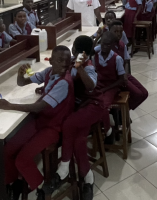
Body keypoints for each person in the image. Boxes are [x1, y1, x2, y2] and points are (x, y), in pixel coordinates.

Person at [54, 33, 124, 200]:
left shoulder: (88, 66)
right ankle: (88, 179)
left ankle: (64, 166)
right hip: (81, 107)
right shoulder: (71, 61)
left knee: (69, 124)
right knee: (79, 140)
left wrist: (79, 67)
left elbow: (91, 86)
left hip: (93, 107)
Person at [0, 46, 74, 200]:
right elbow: (22, 83)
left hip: (52, 127)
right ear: (51, 60)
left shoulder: (63, 82)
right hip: (40, 120)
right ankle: (16, 182)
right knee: (8, 149)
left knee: (22, 158)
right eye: (60, 60)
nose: (64, 64)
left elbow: (38, 107)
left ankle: (42, 187)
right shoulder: (48, 73)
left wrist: (10, 105)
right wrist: (20, 74)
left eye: (67, 61)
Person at [95, 21, 148, 111]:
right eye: (115, 31)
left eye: (121, 31)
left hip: (123, 74)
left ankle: (124, 110)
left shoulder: (122, 44)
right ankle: (121, 113)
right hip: (114, 78)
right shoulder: (105, 46)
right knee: (138, 94)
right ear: (109, 31)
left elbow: (126, 60)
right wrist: (98, 37)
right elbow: (94, 52)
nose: (119, 34)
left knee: (144, 93)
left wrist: (126, 74)